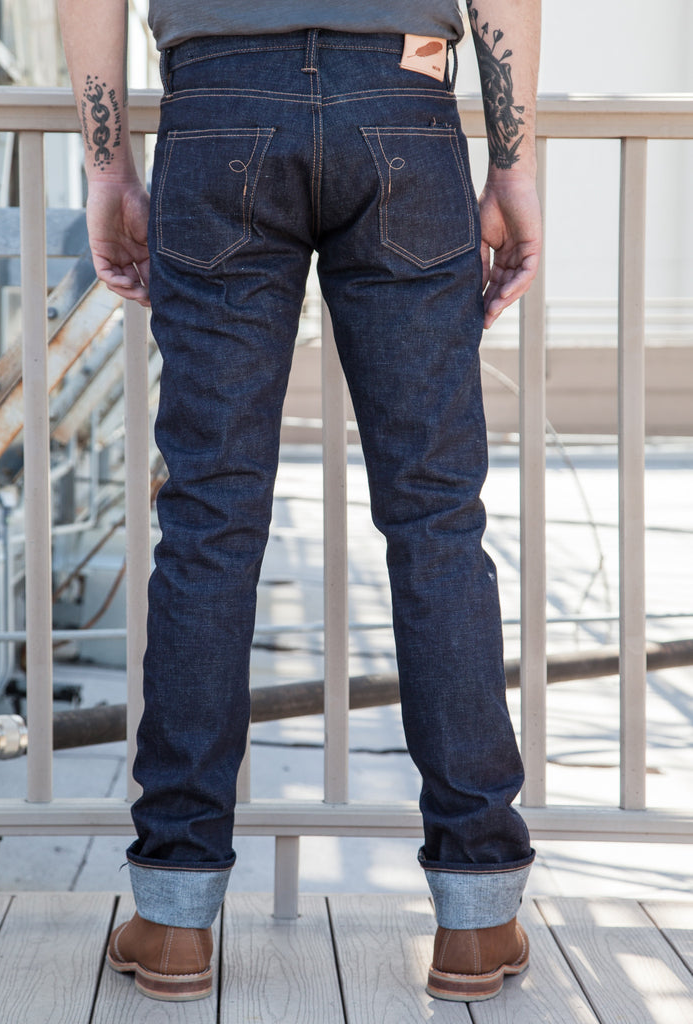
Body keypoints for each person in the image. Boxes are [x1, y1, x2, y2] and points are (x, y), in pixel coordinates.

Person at [58, 0, 541, 1004]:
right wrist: (512, 164)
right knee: (436, 520)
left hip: (217, 102)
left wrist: (109, 166)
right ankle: (479, 912)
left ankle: (176, 914)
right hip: (403, 97)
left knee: (208, 522)